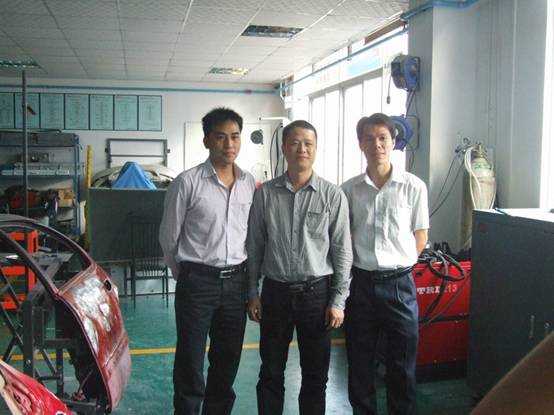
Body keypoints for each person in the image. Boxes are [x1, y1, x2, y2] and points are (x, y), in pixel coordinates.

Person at [246, 120, 353, 415]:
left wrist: (338, 301)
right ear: (284, 148)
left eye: (308, 143)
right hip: (275, 294)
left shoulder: (332, 195)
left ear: (315, 149)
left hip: (316, 296)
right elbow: (254, 246)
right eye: (295, 143)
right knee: (270, 372)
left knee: (316, 376)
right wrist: (252, 293)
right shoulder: (265, 194)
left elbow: (343, 251)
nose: (302, 149)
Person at [159, 107, 256, 415]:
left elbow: (250, 236)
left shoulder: (248, 182)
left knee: (227, 360)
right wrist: (187, 274)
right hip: (197, 282)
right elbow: (168, 237)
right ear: (206, 141)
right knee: (190, 360)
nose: (229, 144)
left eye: (235, 137)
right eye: (221, 137)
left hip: (236, 283)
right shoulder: (187, 183)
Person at [341, 113, 429, 415]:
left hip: (399, 286)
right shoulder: (348, 190)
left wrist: (400, 264)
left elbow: (420, 235)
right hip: (361, 285)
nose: (376, 144)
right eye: (369, 138)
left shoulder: (414, 186)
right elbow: (343, 238)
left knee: (401, 365)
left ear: (393, 142)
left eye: (383, 138)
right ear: (360, 144)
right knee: (360, 363)